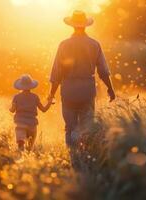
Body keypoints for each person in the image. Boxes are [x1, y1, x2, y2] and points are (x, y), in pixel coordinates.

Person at [48, 10, 116, 149]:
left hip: (68, 90)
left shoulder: (64, 45)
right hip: (87, 90)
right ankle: (85, 154)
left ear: (72, 25)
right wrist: (110, 89)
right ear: (85, 25)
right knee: (86, 126)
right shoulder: (94, 44)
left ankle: (72, 155)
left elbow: (57, 72)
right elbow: (103, 70)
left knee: (70, 126)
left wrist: (51, 94)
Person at [10, 74, 53, 151]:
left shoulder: (16, 97)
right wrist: (49, 102)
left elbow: (12, 110)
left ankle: (21, 155)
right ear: (31, 86)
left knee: (21, 145)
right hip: (32, 125)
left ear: (20, 86)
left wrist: (10, 108)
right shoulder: (35, 97)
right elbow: (43, 109)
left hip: (20, 124)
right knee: (30, 148)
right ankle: (29, 159)